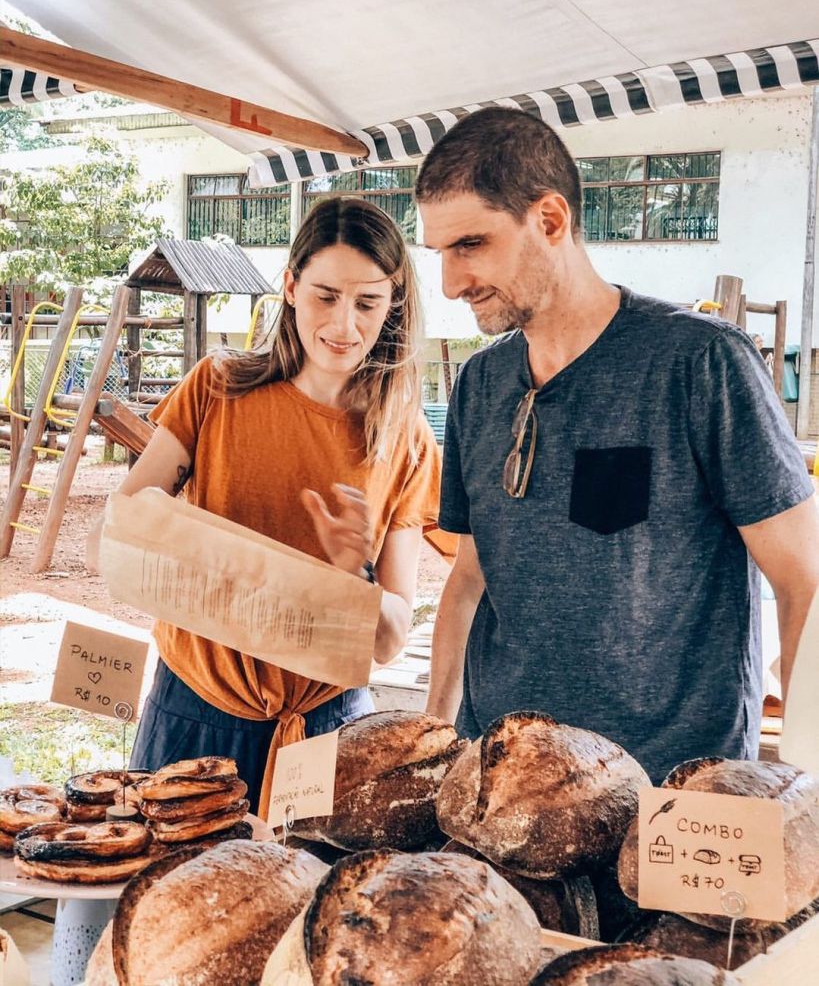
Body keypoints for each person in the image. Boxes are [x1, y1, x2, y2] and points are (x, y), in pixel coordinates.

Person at [416, 106, 819, 784]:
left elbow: (800, 576)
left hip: (666, 789)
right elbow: (467, 577)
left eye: (469, 246)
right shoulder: (480, 383)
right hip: (499, 786)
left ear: (549, 220)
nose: (451, 283)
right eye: (440, 253)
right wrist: (434, 736)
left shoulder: (699, 361)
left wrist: (805, 777)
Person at [88, 197, 440, 817]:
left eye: (368, 303)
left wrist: (351, 575)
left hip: (325, 729)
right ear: (290, 286)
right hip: (195, 705)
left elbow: (387, 642)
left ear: (395, 306)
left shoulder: (404, 437)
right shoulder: (217, 388)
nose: (345, 325)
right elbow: (120, 537)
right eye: (325, 296)